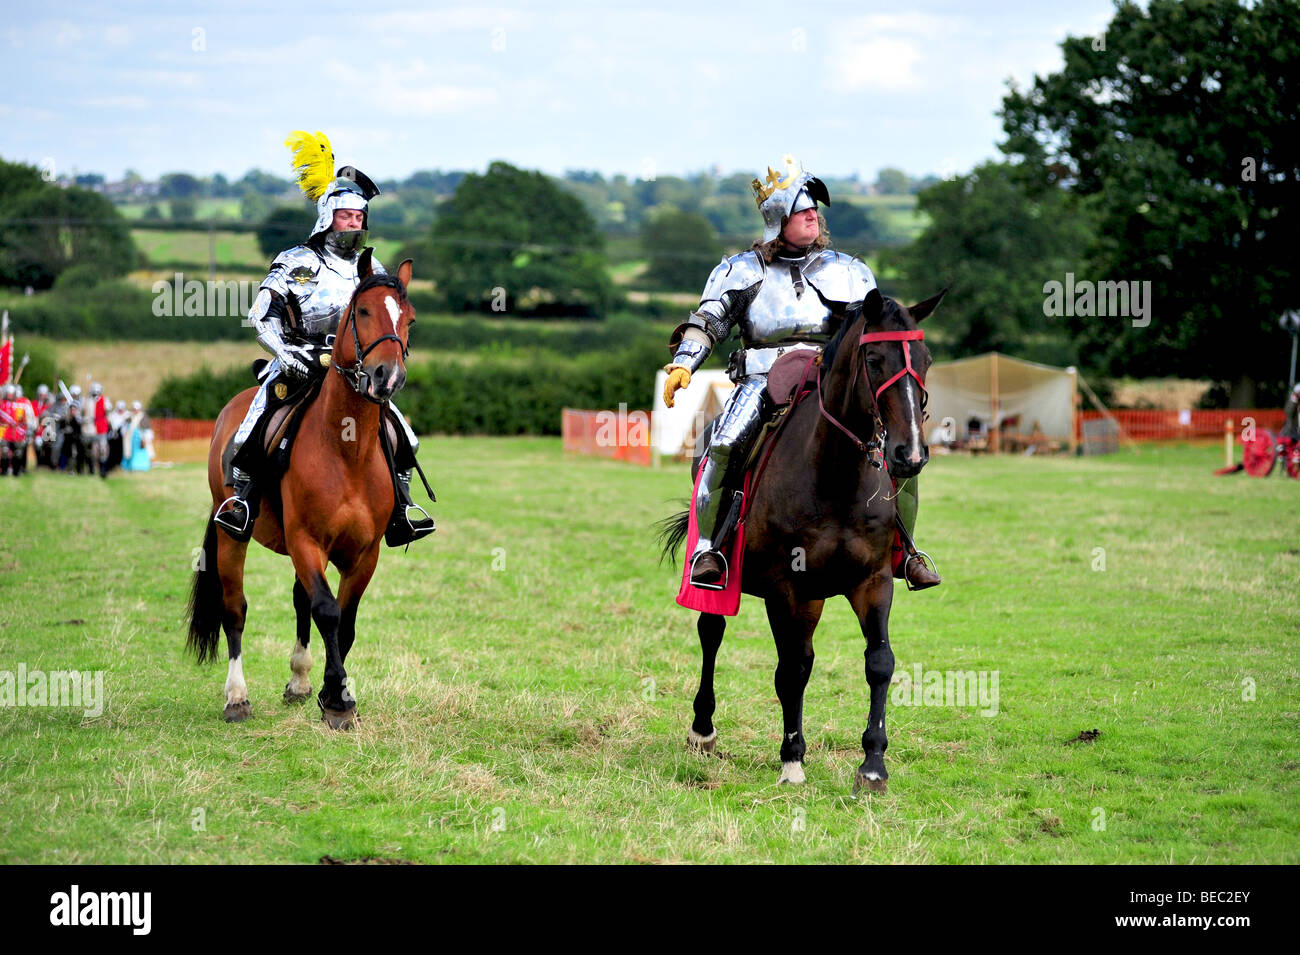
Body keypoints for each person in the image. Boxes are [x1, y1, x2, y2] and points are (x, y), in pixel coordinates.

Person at [663, 156, 941, 591]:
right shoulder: (740, 270)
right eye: (802, 209)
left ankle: (905, 550)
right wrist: (685, 362)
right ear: (778, 220)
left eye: (815, 208)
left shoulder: (849, 271)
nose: (813, 215)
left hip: (830, 379)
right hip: (762, 380)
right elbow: (709, 320)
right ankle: (709, 549)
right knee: (723, 442)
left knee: (901, 452)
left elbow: (874, 329)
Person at [213, 131, 433, 546]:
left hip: (354, 373)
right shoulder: (298, 262)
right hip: (297, 364)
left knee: (406, 437)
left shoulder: (372, 267)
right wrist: (287, 352)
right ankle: (240, 504)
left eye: (359, 217)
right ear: (328, 218)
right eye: (346, 216)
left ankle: (401, 508)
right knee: (249, 429)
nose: (354, 224)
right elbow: (260, 315)